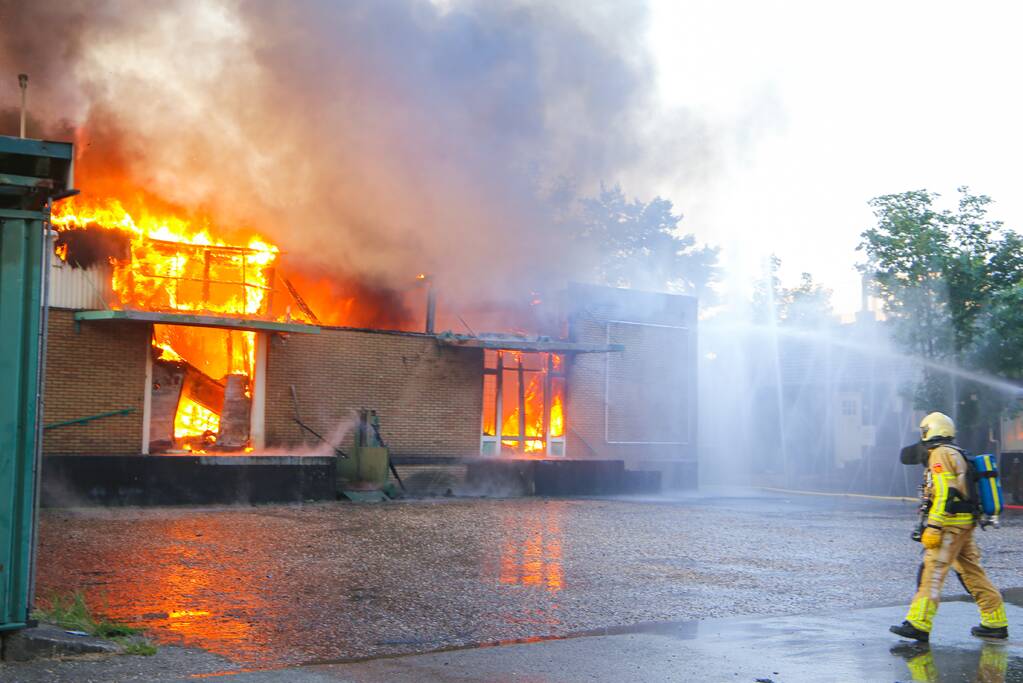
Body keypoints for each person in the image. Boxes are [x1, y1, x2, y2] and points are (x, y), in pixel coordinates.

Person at [890, 412, 1009, 642]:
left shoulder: (940, 454)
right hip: (963, 522)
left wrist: (934, 526)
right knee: (972, 572)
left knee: (933, 571)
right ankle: (995, 621)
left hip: (949, 525)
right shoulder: (956, 452)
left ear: (931, 430)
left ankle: (919, 623)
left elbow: (946, 491)